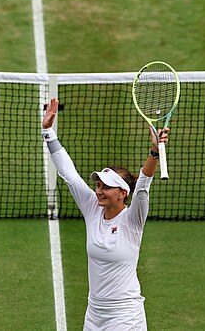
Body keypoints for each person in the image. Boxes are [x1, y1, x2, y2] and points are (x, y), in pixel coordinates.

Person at [42, 98, 169, 330]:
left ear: (122, 193)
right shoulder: (92, 207)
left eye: (105, 187)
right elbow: (69, 174)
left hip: (125, 315)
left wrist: (154, 152)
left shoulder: (133, 219)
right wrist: (48, 131)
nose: (98, 191)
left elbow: (142, 186)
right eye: (98, 185)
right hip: (94, 313)